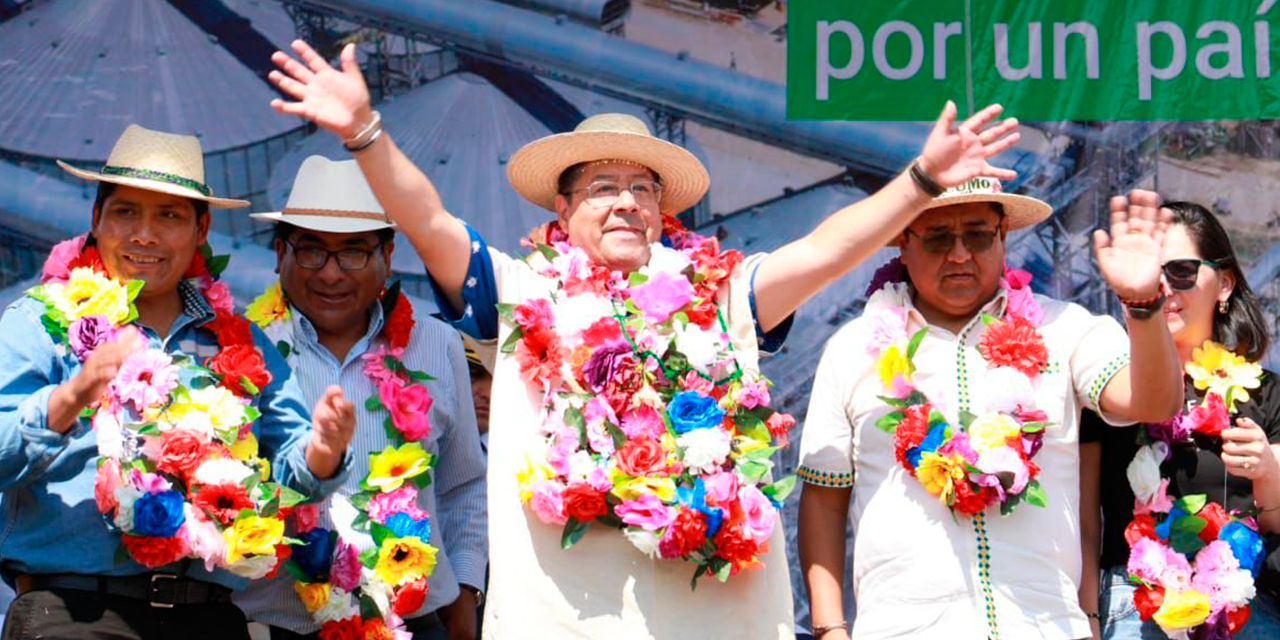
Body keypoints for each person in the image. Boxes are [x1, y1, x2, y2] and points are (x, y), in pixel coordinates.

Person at [266, 38, 1023, 639]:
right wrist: (366, 132)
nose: (626, 202)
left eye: (643, 188)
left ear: (664, 211)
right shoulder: (521, 291)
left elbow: (827, 251)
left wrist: (920, 180)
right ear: (562, 211)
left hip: (719, 620)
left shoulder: (721, 295)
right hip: (563, 622)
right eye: (602, 187)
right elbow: (426, 220)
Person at [0, 126, 355, 640]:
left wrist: (324, 450)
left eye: (168, 215)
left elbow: (294, 472)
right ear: (97, 220)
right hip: (74, 614)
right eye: (126, 212)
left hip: (205, 614)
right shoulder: (39, 322)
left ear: (202, 228)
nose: (144, 234)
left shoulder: (240, 342)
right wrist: (69, 398)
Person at [796, 182, 1184, 640]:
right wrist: (829, 630)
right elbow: (824, 494)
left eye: (977, 235)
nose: (959, 255)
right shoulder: (852, 349)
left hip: (1045, 627)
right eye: (939, 237)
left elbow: (1153, 402)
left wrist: (1144, 306)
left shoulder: (1065, 328)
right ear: (904, 240)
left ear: (1002, 236)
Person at [233, 156, 487, 640]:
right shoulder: (242, 348)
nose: (331, 274)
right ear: (279, 253)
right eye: (311, 251)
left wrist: (467, 589)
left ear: (386, 258)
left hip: (418, 623)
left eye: (352, 253)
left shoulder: (437, 344)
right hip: (278, 628)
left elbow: (463, 486)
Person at [1080, 201, 1280, 639]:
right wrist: (1088, 619)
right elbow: (1085, 522)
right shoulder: (1111, 388)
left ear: (1224, 283)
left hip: (1243, 614)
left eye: (1182, 271)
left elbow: (1275, 522)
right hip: (1132, 606)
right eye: (1153, 273)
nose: (1165, 286)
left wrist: (1268, 469)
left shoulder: (1266, 392)